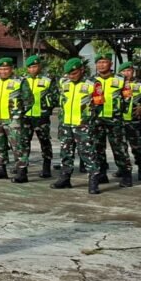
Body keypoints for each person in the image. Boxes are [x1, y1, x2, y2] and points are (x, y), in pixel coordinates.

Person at [50, 58, 101, 193]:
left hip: (83, 125)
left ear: (82, 70)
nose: (71, 76)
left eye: (74, 73)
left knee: (88, 153)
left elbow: (99, 104)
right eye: (69, 74)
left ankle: (93, 181)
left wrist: (89, 120)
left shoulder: (93, 84)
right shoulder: (64, 82)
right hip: (66, 124)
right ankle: (65, 178)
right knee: (65, 153)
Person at [0, 57, 33, 183]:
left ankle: (21, 172)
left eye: (6, 69)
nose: (3, 71)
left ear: (12, 69)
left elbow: (29, 100)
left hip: (13, 120)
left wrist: (18, 114)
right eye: (1, 69)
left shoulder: (20, 81)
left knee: (18, 146)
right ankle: (0, 169)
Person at [91, 52, 132, 187]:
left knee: (119, 148)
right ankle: (101, 174)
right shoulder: (91, 80)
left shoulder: (121, 79)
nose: (101, 65)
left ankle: (126, 175)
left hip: (115, 120)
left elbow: (128, 97)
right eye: (99, 62)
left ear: (111, 64)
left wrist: (123, 113)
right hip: (97, 120)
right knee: (98, 148)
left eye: (104, 62)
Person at [23, 55, 59, 179]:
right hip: (26, 116)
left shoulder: (48, 80)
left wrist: (47, 107)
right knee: (24, 143)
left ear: (39, 67)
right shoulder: (24, 80)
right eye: (30, 67)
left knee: (45, 142)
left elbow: (55, 97)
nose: (32, 69)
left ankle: (46, 167)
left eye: (35, 66)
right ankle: (22, 167)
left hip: (41, 116)